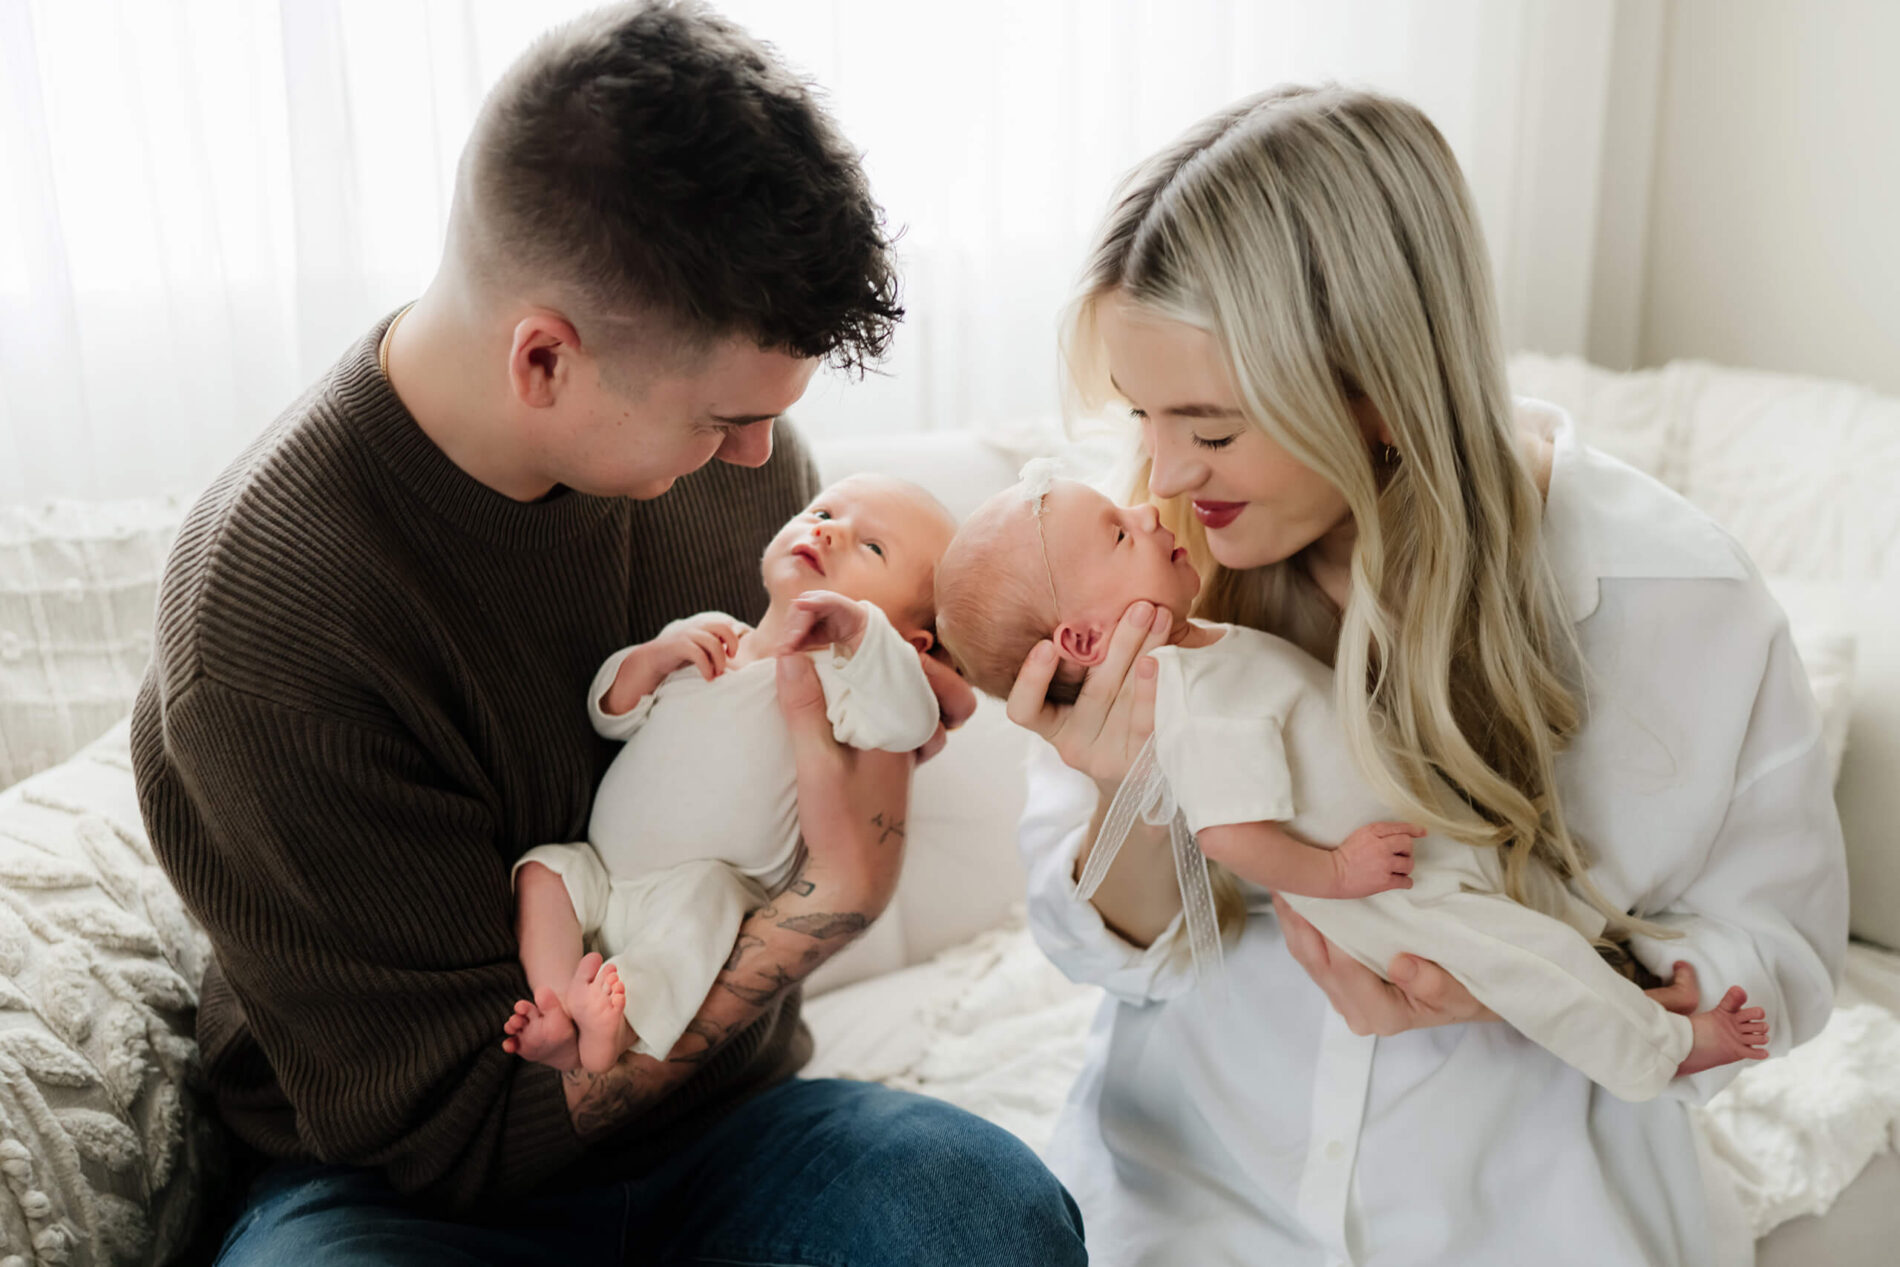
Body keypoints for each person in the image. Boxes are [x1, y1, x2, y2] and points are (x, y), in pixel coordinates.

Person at [131, 4, 1085, 1262]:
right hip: (405, 1191)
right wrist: (830, 904)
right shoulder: (271, 630)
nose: (760, 461)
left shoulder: (750, 481)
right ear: (544, 361)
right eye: (721, 420)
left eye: (767, 420)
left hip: (726, 1129)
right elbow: (463, 1132)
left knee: (979, 1214)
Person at [1009, 84, 1846, 1265]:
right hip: (1186, 1192)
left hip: (1528, 1219)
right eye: (1144, 415)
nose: (1163, 474)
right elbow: (1108, 951)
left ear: (1376, 384)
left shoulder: (1681, 600)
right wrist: (1122, 791)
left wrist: (1527, 984)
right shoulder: (1144, 572)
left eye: (1209, 426)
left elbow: (1787, 956)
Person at [937, 472, 1772, 1104]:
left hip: (1412, 849)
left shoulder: (1205, 645)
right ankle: (1663, 1049)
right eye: (1121, 534)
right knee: (1534, 959)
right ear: (1084, 637)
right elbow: (1229, 838)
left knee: (1550, 931)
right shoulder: (1185, 698)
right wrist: (1339, 873)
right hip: (1382, 895)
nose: (1154, 502)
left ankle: (1640, 998)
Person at [504, 474, 955, 1074]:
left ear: (906, 640)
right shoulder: (710, 635)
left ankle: (614, 1030)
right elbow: (610, 714)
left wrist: (864, 640)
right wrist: (655, 657)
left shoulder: (840, 694)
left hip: (695, 888)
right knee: (543, 869)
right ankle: (558, 1010)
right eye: (821, 511)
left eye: (872, 548)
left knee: (708, 904)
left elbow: (909, 721)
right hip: (604, 874)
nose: (828, 530)